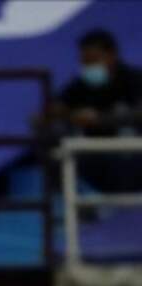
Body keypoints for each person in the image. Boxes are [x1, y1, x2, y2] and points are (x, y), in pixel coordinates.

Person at [42, 28, 142, 194]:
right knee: (51, 133)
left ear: (112, 55)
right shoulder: (80, 85)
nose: (89, 67)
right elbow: (54, 109)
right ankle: (68, 198)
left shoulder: (135, 80)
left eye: (94, 60)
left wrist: (101, 119)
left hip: (134, 158)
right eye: (84, 62)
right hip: (95, 159)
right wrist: (61, 115)